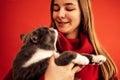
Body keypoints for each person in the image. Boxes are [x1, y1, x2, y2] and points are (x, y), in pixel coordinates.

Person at [4, 0, 118, 80]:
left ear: (83, 13)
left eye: (69, 8)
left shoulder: (101, 61)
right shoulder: (36, 45)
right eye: (55, 9)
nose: (60, 14)